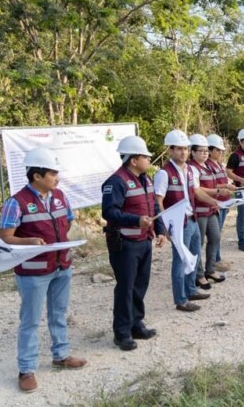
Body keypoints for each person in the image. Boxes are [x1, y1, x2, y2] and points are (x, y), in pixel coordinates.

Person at [0, 147, 87, 392]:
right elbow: (6, 236)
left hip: (62, 265)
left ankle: (61, 355)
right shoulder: (16, 203)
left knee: (58, 313)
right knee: (30, 321)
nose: (57, 177)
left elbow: (68, 220)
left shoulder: (60, 195)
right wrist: (28, 241)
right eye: (52, 173)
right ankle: (26, 369)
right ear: (37, 176)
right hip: (33, 272)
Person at [102, 136, 166, 352]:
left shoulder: (145, 179)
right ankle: (122, 333)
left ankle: (136, 324)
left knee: (140, 284)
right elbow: (109, 212)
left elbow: (153, 208)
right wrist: (135, 221)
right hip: (125, 243)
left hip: (143, 241)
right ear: (133, 160)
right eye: (145, 156)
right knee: (125, 287)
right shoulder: (116, 182)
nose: (149, 160)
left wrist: (160, 230)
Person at [154, 129, 218, 313]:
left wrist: (213, 200)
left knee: (194, 256)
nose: (184, 152)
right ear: (170, 151)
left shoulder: (190, 170)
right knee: (180, 260)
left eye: (186, 149)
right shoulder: (163, 174)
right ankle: (181, 299)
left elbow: (197, 191)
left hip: (193, 220)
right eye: (179, 149)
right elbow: (158, 201)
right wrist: (165, 226)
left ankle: (190, 290)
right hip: (178, 224)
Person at [187, 134, 228, 288]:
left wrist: (220, 191)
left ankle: (210, 270)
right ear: (193, 152)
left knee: (215, 238)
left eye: (206, 151)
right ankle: (198, 275)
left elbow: (213, 184)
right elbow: (198, 189)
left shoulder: (208, 166)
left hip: (211, 209)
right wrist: (216, 192)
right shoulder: (192, 168)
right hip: (199, 211)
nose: (204, 153)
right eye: (201, 151)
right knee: (198, 243)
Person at [205, 134, 235, 271]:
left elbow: (222, 181)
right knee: (215, 235)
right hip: (215, 202)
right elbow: (212, 185)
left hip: (223, 201)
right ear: (209, 150)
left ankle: (217, 258)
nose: (220, 153)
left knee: (218, 233)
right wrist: (225, 187)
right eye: (217, 150)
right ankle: (215, 260)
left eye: (221, 150)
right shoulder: (208, 166)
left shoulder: (219, 164)